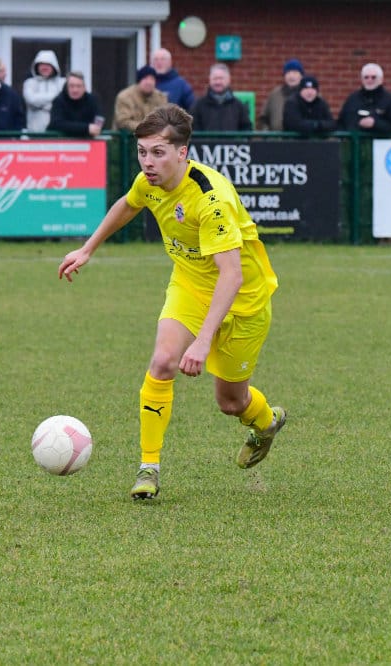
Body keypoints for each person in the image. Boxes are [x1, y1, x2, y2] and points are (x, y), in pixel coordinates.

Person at [57, 104, 286, 500]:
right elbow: (129, 203)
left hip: (244, 301)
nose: (148, 162)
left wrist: (202, 341)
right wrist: (88, 248)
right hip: (189, 287)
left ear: (182, 153)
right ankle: (149, 468)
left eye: (158, 153)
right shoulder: (149, 180)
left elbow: (231, 276)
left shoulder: (210, 199)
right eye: (142, 152)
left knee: (231, 402)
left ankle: (266, 423)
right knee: (162, 361)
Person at [337, 63, 391, 136]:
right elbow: (341, 122)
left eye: (373, 77)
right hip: (355, 141)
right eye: (366, 77)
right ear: (362, 79)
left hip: (379, 142)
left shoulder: (389, 100)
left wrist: (375, 123)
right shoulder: (352, 99)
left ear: (381, 79)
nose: (369, 80)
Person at [191, 63, 252, 132]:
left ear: (228, 80)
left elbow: (247, 129)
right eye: (215, 78)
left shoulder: (239, 106)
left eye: (221, 78)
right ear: (209, 80)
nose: (218, 82)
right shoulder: (198, 106)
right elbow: (192, 129)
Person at [47, 70, 103, 137]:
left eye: (78, 86)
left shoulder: (92, 99)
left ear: (84, 88)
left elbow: (99, 117)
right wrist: (86, 128)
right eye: (71, 86)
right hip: (62, 141)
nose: (75, 90)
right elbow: (56, 124)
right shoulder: (59, 100)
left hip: (87, 140)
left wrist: (97, 128)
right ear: (67, 87)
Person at [112, 64, 167, 132]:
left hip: (155, 137)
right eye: (145, 78)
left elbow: (165, 120)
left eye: (152, 79)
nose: (149, 82)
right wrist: (146, 128)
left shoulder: (160, 97)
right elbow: (122, 122)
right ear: (139, 81)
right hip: (129, 137)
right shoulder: (125, 97)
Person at [23, 50, 64, 132]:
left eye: (48, 64)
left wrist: (40, 105)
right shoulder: (29, 83)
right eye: (42, 64)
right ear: (36, 66)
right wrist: (55, 97)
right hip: (35, 132)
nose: (45, 67)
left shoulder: (62, 83)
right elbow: (32, 100)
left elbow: (64, 103)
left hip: (58, 133)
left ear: (54, 66)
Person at [259, 58, 304, 131]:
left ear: (301, 76)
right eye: (288, 72)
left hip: (300, 137)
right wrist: (266, 133)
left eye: (295, 72)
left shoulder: (308, 95)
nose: (291, 76)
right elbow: (263, 118)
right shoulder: (275, 94)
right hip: (276, 137)